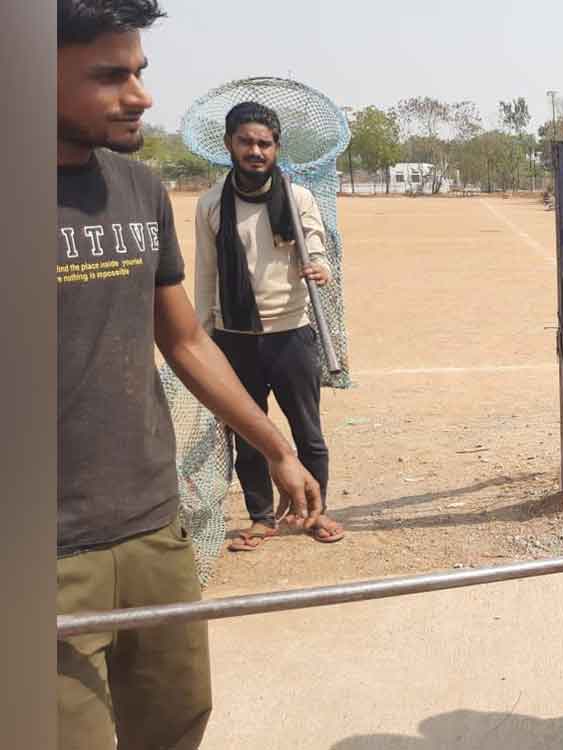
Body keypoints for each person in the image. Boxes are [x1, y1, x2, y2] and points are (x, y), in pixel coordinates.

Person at [56, 1, 325, 747]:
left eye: (139, 71)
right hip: (43, 551)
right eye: (109, 76)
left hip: (152, 527)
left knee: (176, 721)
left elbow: (183, 340)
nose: (139, 95)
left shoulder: (137, 189)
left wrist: (275, 447)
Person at [194, 101, 346, 551]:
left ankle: (315, 511)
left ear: (277, 148)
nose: (255, 151)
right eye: (246, 142)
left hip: (292, 333)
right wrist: (204, 336)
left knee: (308, 432)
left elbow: (317, 246)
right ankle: (261, 517)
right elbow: (205, 273)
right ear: (229, 145)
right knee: (248, 434)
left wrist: (319, 267)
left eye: (264, 143)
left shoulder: (298, 199)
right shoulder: (210, 204)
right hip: (234, 337)